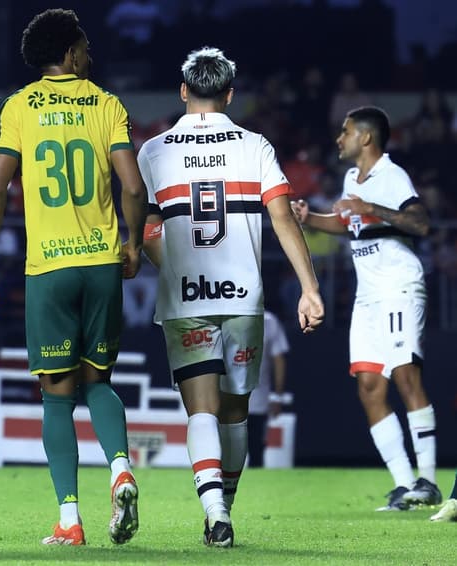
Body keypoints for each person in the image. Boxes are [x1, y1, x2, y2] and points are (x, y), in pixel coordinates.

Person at [0, 9, 147, 547]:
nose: (89, 55)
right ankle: (120, 467)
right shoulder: (106, 103)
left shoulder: (19, 107)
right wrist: (133, 243)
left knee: (55, 394)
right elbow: (134, 187)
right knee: (99, 382)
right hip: (101, 263)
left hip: (49, 267)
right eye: (84, 47)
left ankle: (70, 520)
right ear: (70, 53)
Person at [138, 47, 324, 548]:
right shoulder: (254, 146)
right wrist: (310, 289)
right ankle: (222, 513)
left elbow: (148, 230)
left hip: (186, 299)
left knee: (201, 411)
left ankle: (214, 511)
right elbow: (283, 218)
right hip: (243, 298)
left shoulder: (154, 150)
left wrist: (170, 268)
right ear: (229, 94)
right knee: (236, 411)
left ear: (183, 91)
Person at [292, 106, 441, 511]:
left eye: (345, 131)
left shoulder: (390, 175)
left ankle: (428, 480)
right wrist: (310, 219)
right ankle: (404, 486)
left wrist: (372, 208)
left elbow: (421, 222)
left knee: (407, 377)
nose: (339, 138)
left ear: (366, 138)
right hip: (368, 295)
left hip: (398, 287)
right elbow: (348, 224)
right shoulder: (350, 178)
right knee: (369, 386)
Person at [246, 310, 290, 467]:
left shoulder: (269, 321)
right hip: (225, 398)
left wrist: (277, 396)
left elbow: (279, 360)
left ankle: (254, 488)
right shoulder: (223, 316)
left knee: (256, 450)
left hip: (257, 400)